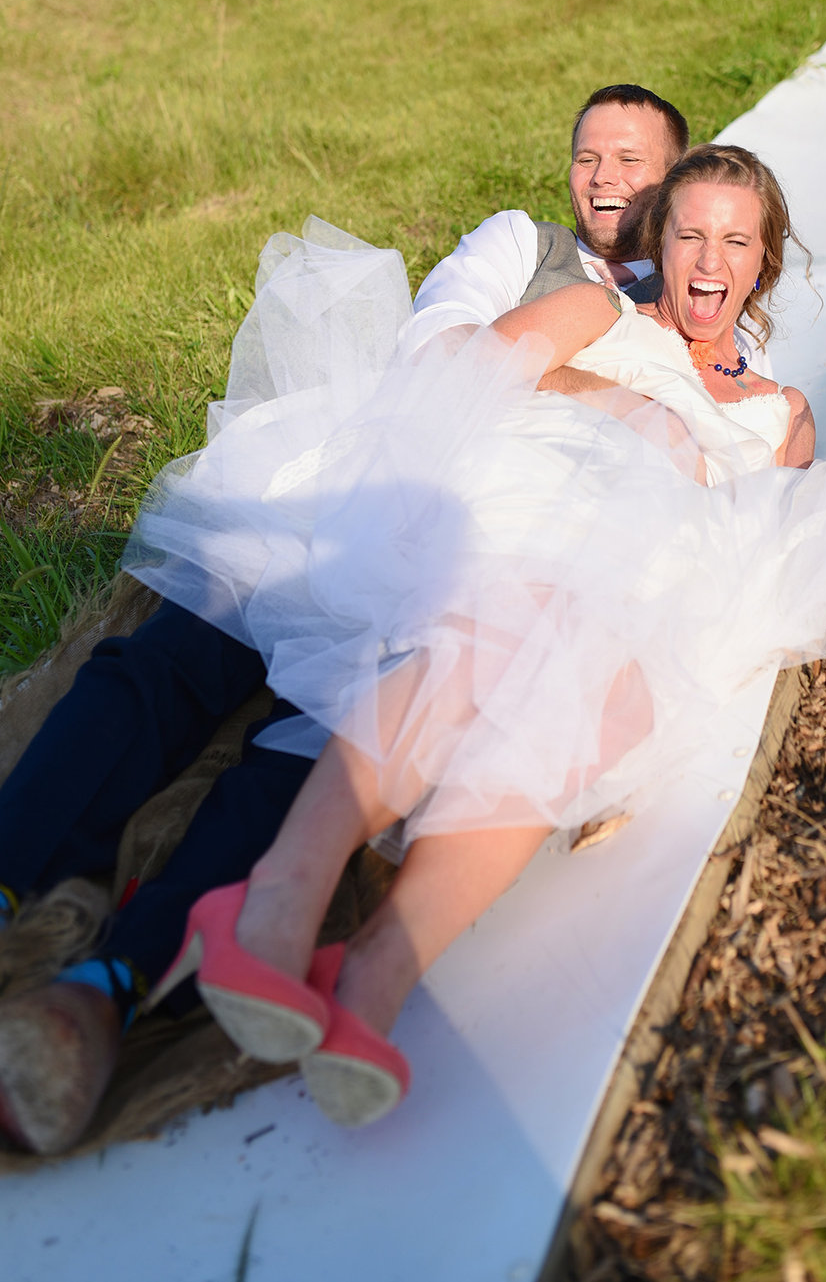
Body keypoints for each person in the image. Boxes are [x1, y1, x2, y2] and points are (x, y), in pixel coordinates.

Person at [95, 145, 826, 1131]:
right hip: (544, 488)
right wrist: (628, 405)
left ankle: (375, 970)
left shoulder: (783, 415)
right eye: (691, 232)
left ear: (765, 263)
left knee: (600, 704)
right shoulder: (603, 314)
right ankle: (277, 894)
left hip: (660, 553)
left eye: (736, 240)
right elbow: (470, 375)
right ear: (661, 243)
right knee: (514, 625)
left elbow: (764, 532)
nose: (710, 257)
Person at [0, 85, 693, 1154]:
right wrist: (593, 385)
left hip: (491, 547)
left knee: (320, 742)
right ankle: (12, 870)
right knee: (173, 659)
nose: (605, 178)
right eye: (588, 155)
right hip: (380, 476)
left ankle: (111, 984)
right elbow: (439, 353)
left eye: (632, 161)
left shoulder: (685, 328)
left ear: (678, 180)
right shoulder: (529, 247)